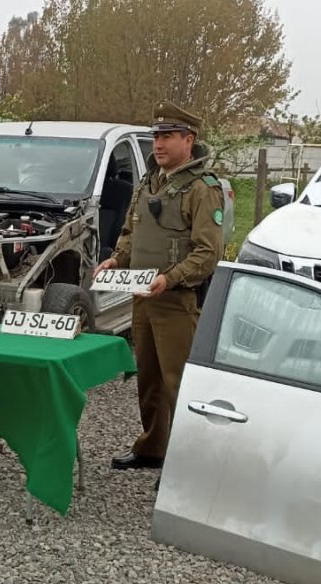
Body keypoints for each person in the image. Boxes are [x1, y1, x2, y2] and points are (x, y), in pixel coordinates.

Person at [94, 101, 225, 470]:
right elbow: (131, 232)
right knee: (148, 380)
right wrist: (117, 259)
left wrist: (171, 277)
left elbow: (208, 252)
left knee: (179, 384)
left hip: (177, 302)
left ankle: (188, 463)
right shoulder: (149, 183)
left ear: (189, 139)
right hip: (142, 297)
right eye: (156, 137)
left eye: (168, 136)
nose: (159, 144)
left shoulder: (202, 188)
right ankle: (153, 448)